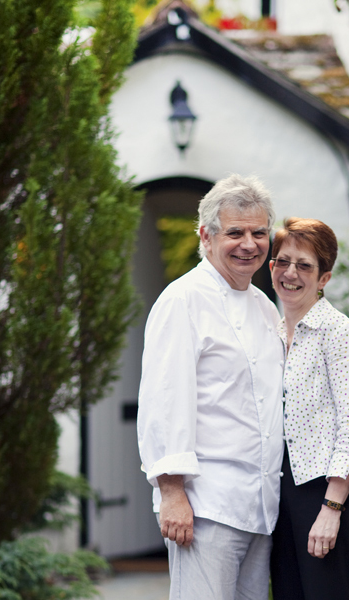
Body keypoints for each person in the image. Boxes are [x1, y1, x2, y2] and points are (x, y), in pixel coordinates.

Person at [137, 174, 285, 600]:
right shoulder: (182, 300)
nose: (249, 244)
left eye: (259, 233)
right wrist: (171, 493)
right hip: (205, 509)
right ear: (206, 236)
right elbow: (165, 401)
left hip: (259, 507)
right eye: (235, 233)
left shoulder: (262, 305)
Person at [269, 217, 349, 600]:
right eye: (283, 261)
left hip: (331, 500)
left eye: (304, 265)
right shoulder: (273, 334)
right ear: (271, 267)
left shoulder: (340, 334)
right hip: (285, 501)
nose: (290, 273)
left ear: (324, 278)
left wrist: (332, 507)